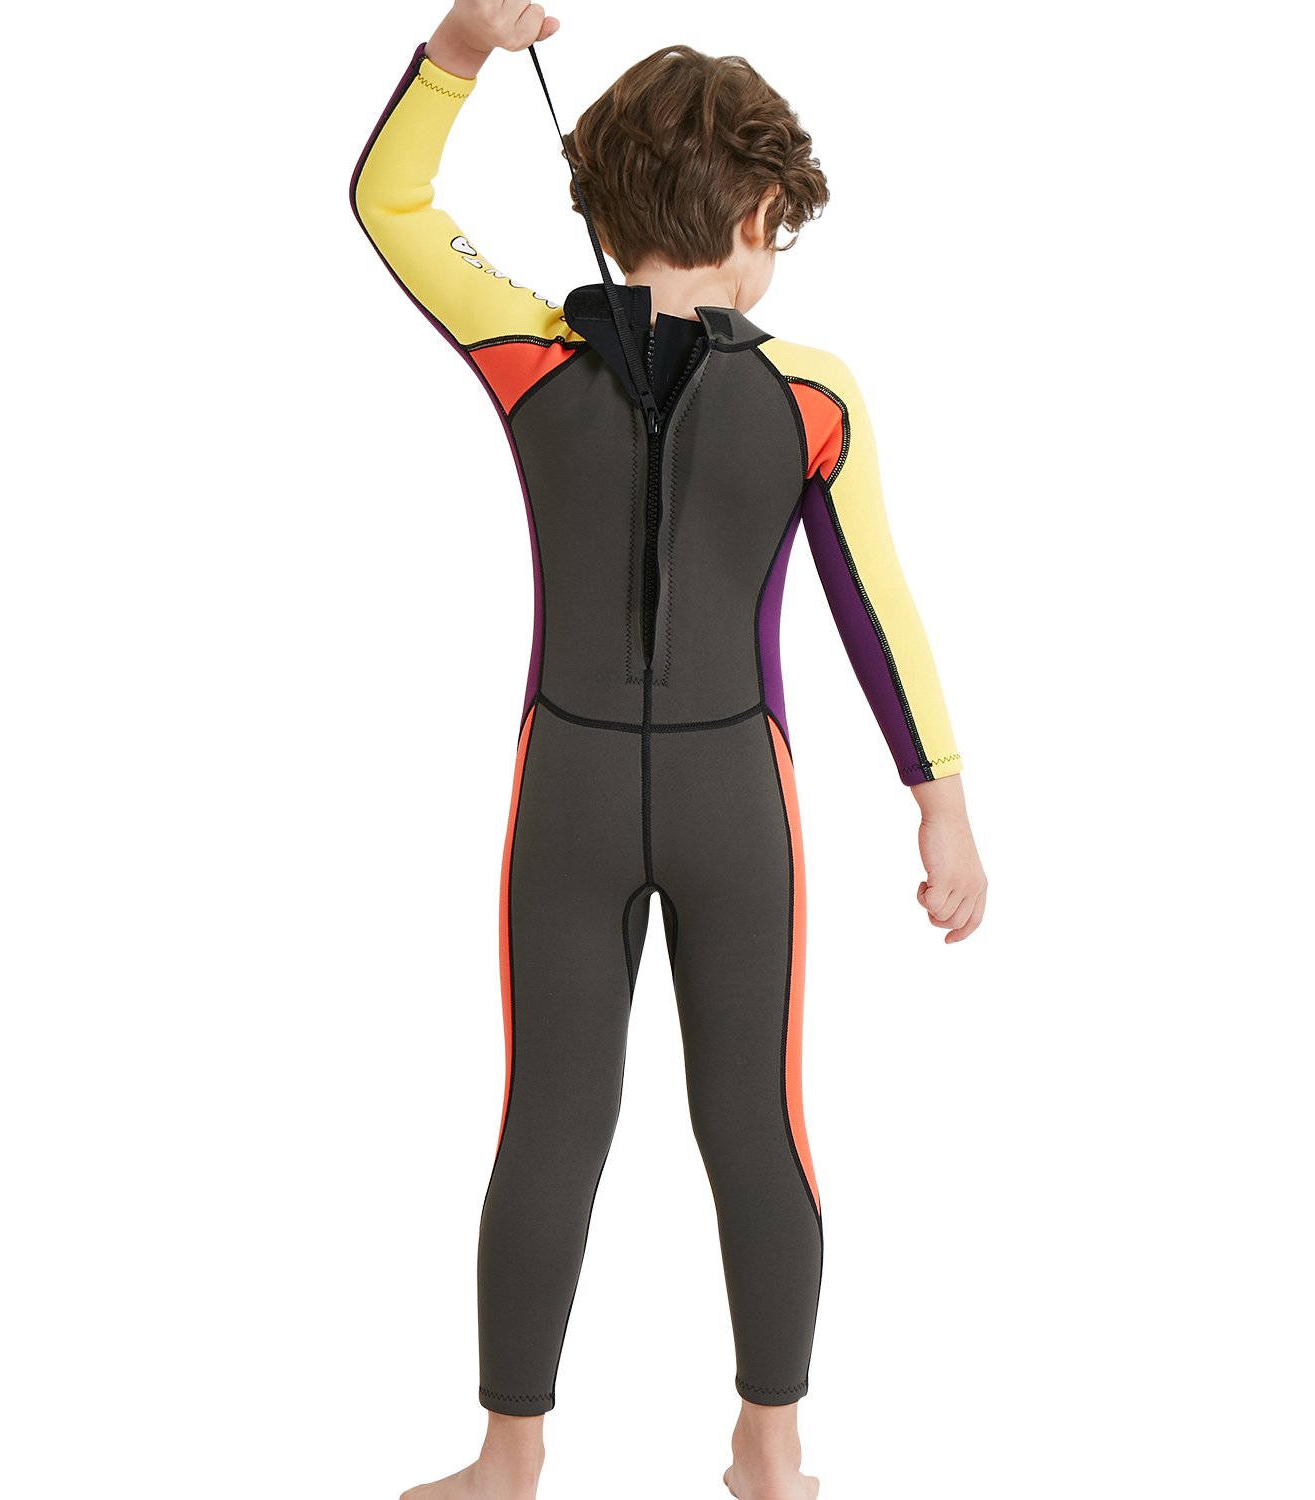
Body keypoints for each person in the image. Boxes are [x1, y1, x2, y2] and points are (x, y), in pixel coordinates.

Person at [349, 4, 988, 1496]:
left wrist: (460, 49)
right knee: (757, 1125)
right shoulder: (813, 393)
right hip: (735, 799)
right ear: (761, 211)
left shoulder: (527, 350)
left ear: (603, 199)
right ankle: (770, 1451)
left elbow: (390, 204)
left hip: (567, 793)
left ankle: (508, 1460)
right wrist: (941, 802)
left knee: (550, 1125)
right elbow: (874, 606)